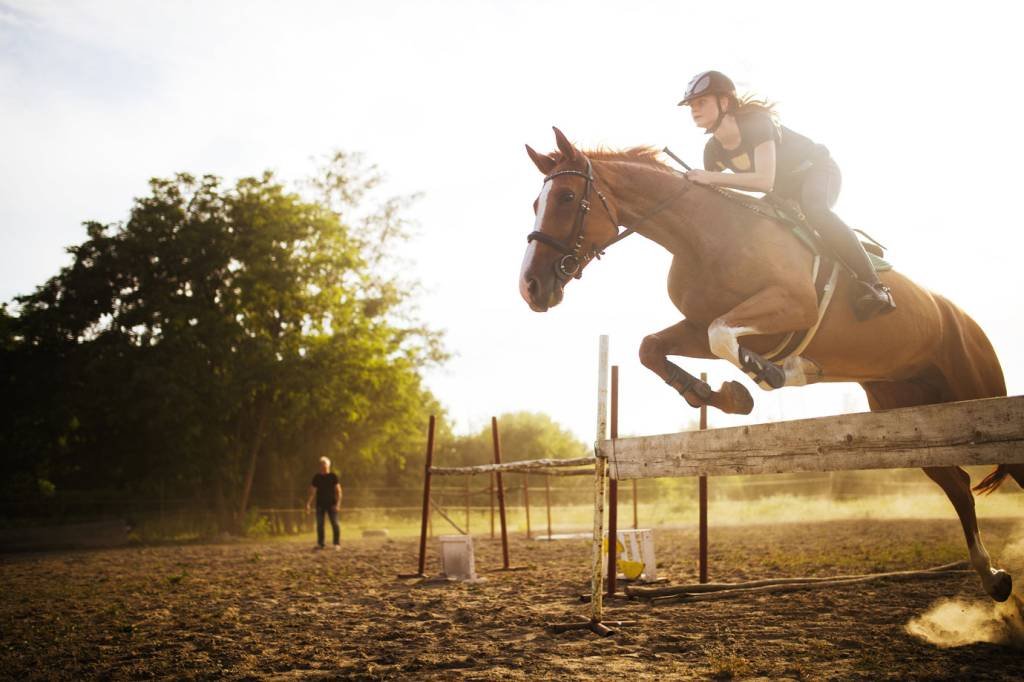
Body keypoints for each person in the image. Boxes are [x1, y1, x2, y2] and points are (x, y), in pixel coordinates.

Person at [678, 70, 895, 320]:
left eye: (701, 102)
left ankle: (876, 286)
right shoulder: (713, 150)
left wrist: (710, 177)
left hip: (816, 171)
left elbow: (763, 181)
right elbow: (714, 198)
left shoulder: (756, 123)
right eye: (692, 105)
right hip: (783, 189)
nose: (694, 109)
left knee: (816, 211)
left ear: (724, 102)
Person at [305, 456, 342, 550]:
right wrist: (308, 503)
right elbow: (312, 491)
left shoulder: (333, 476)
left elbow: (338, 491)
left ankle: (336, 543)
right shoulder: (316, 477)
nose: (323, 467)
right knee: (320, 524)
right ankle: (321, 544)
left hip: (332, 504)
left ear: (328, 465)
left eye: (324, 465)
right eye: (321, 465)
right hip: (320, 504)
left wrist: (337, 504)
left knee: (335, 524)